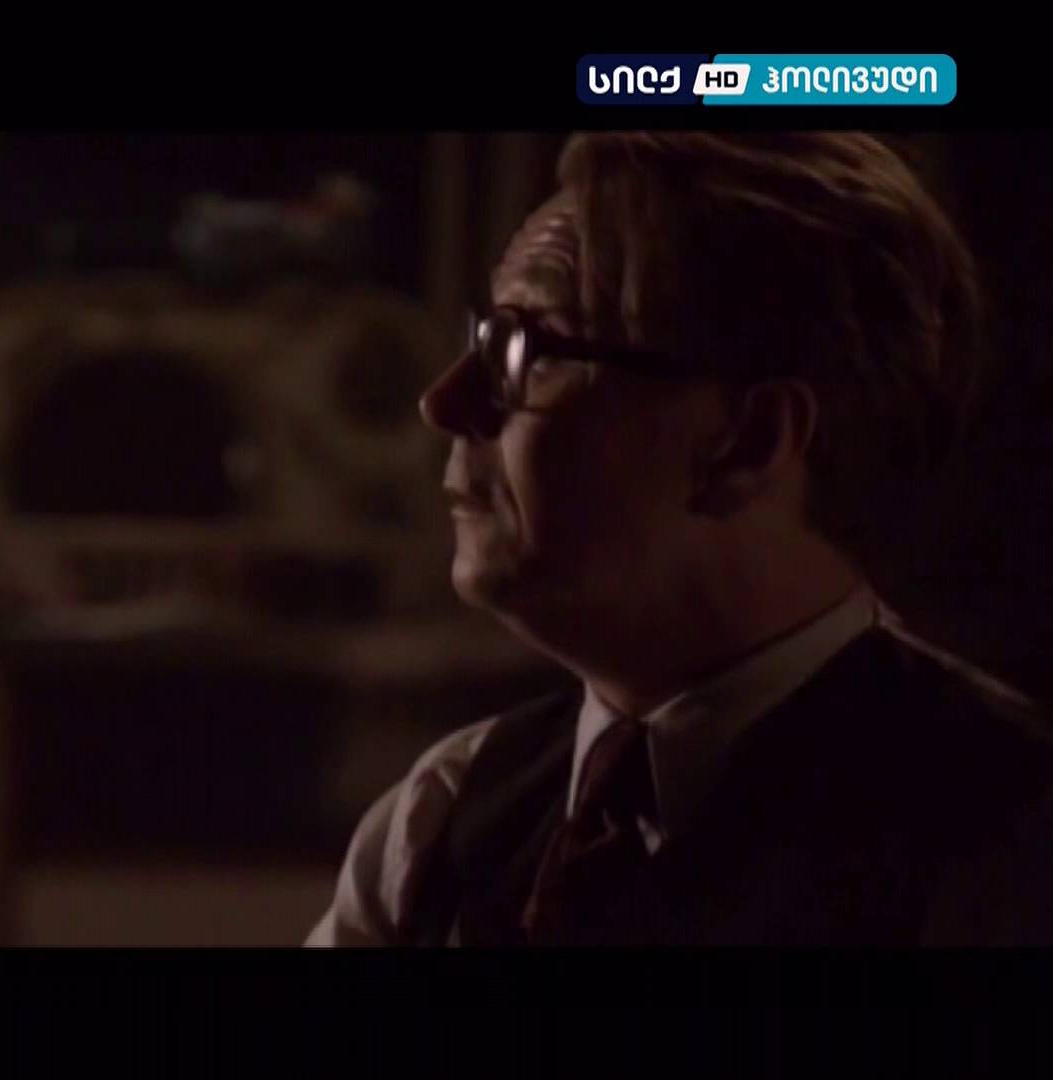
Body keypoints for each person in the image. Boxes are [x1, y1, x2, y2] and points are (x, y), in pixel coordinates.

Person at [307, 132, 1053, 946]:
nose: (443, 403)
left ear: (750, 443)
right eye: (485, 339)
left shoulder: (1006, 844)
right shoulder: (441, 820)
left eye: (530, 350)